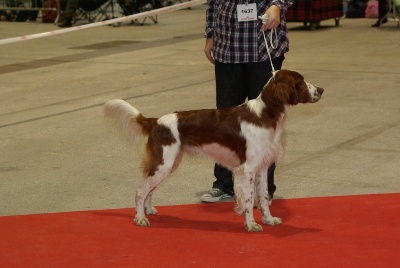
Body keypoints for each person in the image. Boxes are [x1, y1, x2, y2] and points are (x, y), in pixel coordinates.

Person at [201, 0, 294, 203]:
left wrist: (278, 5)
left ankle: (264, 188)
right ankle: (224, 184)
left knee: (265, 123)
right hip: (228, 47)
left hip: (263, 46)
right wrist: (210, 35)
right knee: (225, 121)